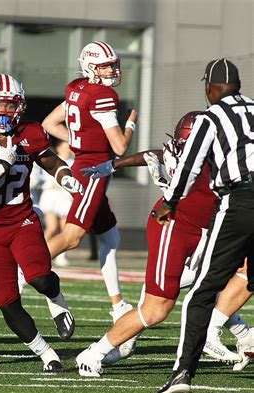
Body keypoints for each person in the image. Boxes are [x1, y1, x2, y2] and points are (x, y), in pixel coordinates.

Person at [75, 111, 253, 376]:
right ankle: (94, 353)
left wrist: (116, 164)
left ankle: (237, 334)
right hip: (173, 226)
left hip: (209, 229)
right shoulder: (220, 162)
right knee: (156, 309)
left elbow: (156, 155)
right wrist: (115, 165)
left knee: (231, 275)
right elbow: (159, 155)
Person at [0, 73, 83, 371]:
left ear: (20, 107)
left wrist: (65, 177)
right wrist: (1, 165)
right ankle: (46, 353)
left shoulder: (31, 132)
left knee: (39, 277)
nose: (3, 111)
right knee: (6, 300)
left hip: (22, 219)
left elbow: (50, 160)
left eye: (10, 105)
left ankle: (56, 297)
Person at [154, 59, 254, 393]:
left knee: (201, 293)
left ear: (210, 88)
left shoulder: (210, 117)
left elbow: (190, 164)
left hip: (240, 200)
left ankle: (182, 373)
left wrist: (170, 200)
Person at [42, 40, 138, 350]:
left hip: (87, 163)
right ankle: (23, 272)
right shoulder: (102, 95)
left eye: (113, 64)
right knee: (71, 238)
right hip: (94, 169)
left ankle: (118, 304)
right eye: (107, 65)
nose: (113, 70)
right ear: (91, 67)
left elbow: (49, 124)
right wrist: (132, 125)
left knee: (110, 238)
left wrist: (78, 139)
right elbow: (121, 147)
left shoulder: (77, 88)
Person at [39, 141, 74, 267]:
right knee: (52, 227)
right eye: (64, 146)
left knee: (65, 229)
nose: (67, 149)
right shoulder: (50, 160)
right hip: (51, 197)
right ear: (58, 148)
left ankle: (61, 256)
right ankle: (38, 253)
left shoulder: (72, 162)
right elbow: (44, 180)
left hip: (65, 198)